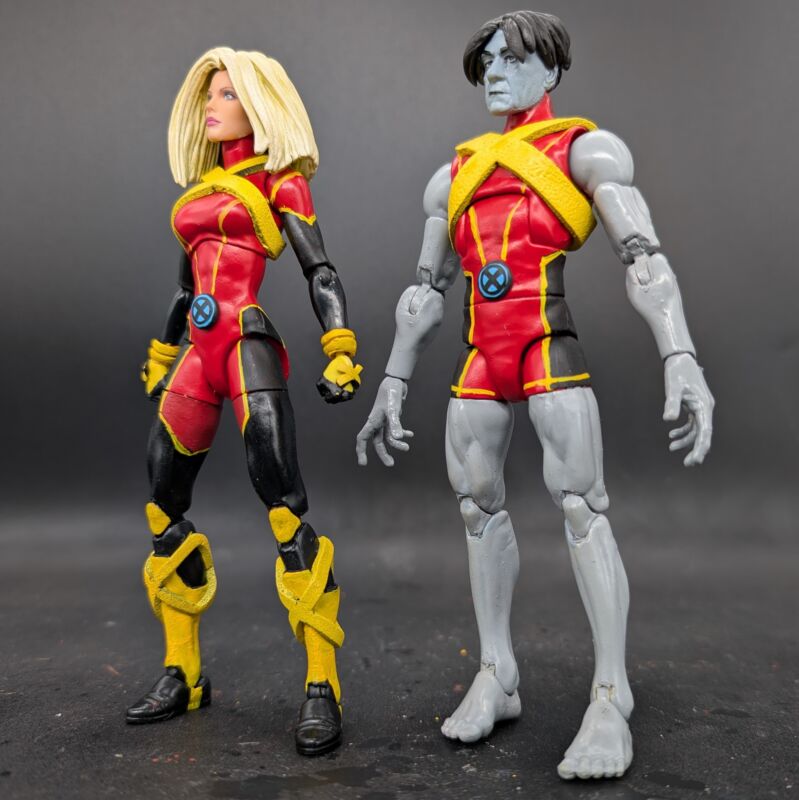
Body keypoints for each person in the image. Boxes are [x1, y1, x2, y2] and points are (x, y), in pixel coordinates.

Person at [356, 11, 713, 780]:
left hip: (545, 343)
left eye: (511, 59)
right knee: (475, 508)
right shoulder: (453, 175)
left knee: (581, 508)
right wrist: (391, 379)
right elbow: (424, 290)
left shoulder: (585, 150)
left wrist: (678, 354)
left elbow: (643, 257)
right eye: (484, 61)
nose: (493, 72)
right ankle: (498, 672)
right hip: (479, 357)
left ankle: (610, 695)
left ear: (549, 70)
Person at [129, 47, 362, 756]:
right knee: (163, 505)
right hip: (198, 354)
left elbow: (320, 269)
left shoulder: (279, 183)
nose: (211, 104)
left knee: (284, 507)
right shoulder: (201, 190)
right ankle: (183, 671)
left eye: (227, 93)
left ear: (258, 106)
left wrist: (340, 345)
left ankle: (322, 684)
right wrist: (163, 352)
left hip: (244, 343)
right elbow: (185, 289)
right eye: (209, 93)